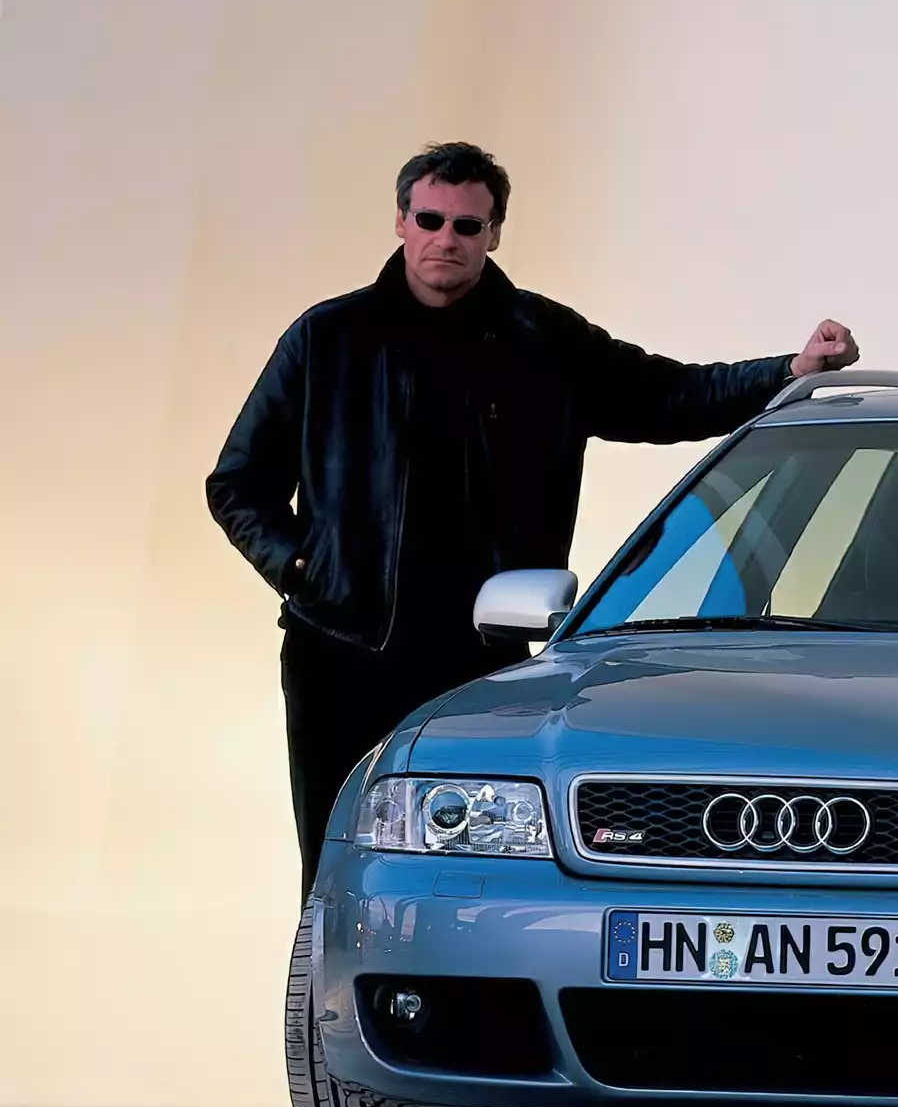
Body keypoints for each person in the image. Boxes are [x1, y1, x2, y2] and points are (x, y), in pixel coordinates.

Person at [206, 141, 860, 902]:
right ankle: (328, 985)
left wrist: (790, 372)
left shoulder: (543, 340)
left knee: (477, 870)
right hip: (339, 651)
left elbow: (668, 396)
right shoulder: (327, 339)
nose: (446, 239)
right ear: (401, 221)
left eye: (467, 226)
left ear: (494, 234)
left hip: (480, 660)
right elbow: (237, 483)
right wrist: (300, 567)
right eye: (431, 220)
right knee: (336, 867)